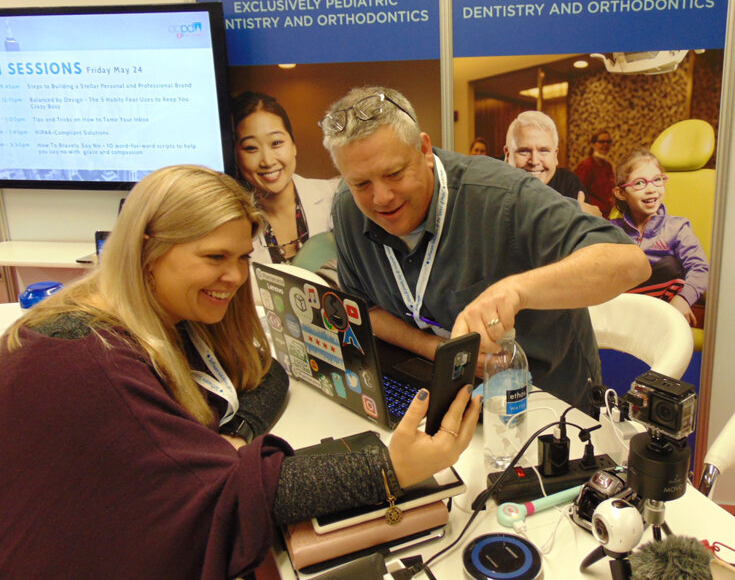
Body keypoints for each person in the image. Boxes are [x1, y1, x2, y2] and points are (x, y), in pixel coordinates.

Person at [0, 165, 480, 580]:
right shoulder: (89, 359)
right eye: (215, 257)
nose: (233, 277)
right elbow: (240, 493)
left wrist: (236, 433)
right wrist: (392, 469)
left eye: (242, 258)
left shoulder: (159, 320)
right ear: (149, 249)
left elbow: (264, 372)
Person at [321, 86, 650, 408]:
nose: (381, 198)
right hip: (443, 391)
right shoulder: (348, 208)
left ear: (423, 149)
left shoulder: (502, 195)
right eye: (361, 183)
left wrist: (515, 290)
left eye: (394, 173)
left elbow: (630, 262)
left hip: (546, 401)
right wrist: (438, 348)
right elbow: (366, 309)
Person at [232, 91, 339, 265]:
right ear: (236, 156)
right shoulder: (232, 224)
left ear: (293, 145)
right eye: (251, 148)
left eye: (276, 143)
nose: (267, 161)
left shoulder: (334, 197)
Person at [610, 150, 709, 326]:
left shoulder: (677, 227)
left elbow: (700, 268)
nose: (651, 189)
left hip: (662, 313)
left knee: (671, 265)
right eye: (640, 183)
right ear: (621, 193)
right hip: (621, 308)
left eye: (657, 180)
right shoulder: (611, 229)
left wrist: (683, 299)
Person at [502, 110, 601, 216]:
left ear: (555, 155)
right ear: (507, 155)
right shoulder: (492, 187)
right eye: (524, 151)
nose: (534, 161)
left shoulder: (568, 183)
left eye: (543, 151)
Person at [575, 129, 616, 217]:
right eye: (602, 142)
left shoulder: (607, 165)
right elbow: (578, 192)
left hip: (608, 214)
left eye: (608, 142)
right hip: (593, 215)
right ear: (593, 144)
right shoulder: (587, 165)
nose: (605, 145)